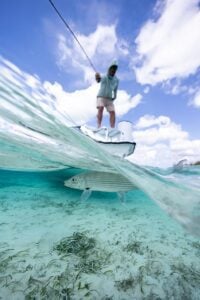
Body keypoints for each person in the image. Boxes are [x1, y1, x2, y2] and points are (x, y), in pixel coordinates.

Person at [95, 61, 119, 128]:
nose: (113, 71)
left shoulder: (116, 80)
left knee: (113, 112)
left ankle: (112, 128)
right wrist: (97, 77)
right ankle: (99, 125)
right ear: (109, 69)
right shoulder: (104, 77)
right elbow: (98, 80)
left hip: (109, 99)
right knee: (101, 107)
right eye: (112, 69)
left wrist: (113, 97)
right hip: (101, 97)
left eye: (114, 69)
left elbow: (115, 90)